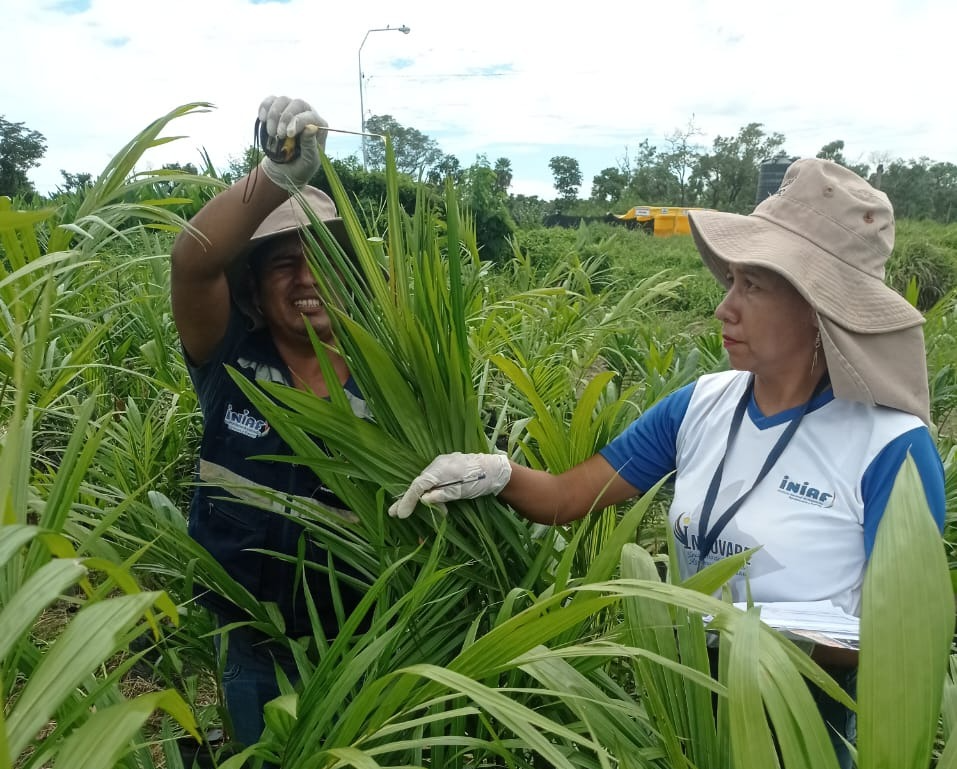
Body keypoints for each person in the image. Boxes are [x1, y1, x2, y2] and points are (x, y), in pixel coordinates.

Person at [388, 158, 946, 768]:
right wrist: (493, 473)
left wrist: (757, 636)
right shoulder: (700, 404)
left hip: (802, 741)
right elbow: (567, 498)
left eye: (752, 286)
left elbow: (905, 640)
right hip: (683, 729)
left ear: (820, 308)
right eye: (729, 281)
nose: (723, 308)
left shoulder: (889, 446)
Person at [170, 95, 369, 749]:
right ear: (254, 286)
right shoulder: (229, 359)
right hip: (252, 646)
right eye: (284, 263)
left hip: (359, 651)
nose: (306, 278)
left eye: (322, 261)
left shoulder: (386, 386)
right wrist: (277, 176)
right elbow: (192, 261)